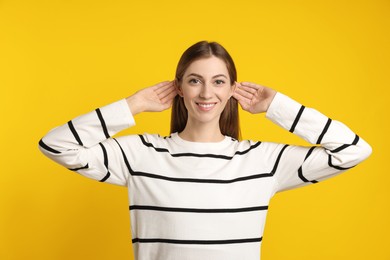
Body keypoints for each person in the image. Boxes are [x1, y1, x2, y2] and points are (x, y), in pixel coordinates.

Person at [38, 41, 372, 260]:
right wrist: (135, 104)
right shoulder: (140, 154)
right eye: (195, 80)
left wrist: (278, 107)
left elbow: (352, 150)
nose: (206, 92)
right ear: (179, 88)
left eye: (218, 81)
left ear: (232, 90)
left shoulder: (262, 161)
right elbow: (57, 144)